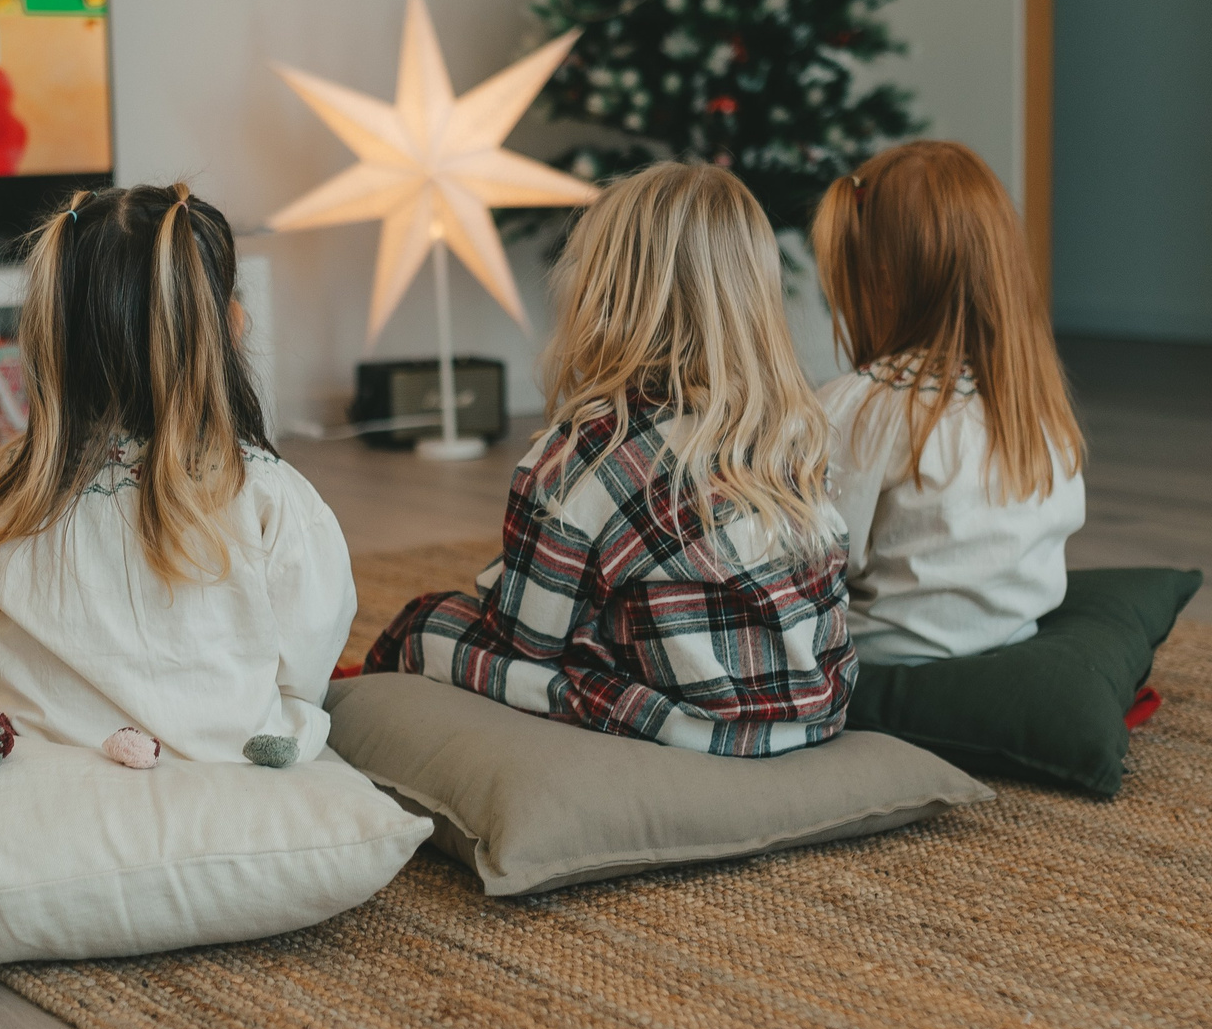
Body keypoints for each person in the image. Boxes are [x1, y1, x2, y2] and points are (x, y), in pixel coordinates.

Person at [364, 160, 854, 756]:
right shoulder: (798, 426)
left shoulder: (584, 452)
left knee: (424, 623)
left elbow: (527, 643)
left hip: (694, 729)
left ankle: (362, 723)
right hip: (816, 713)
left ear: (604, 294)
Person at [0, 182, 356, 766]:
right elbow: (309, 655)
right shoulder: (270, 493)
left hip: (45, 760)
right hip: (233, 760)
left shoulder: (15, 480)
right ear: (228, 325)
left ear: (52, 330)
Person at [810, 140, 1086, 665]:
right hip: (1012, 634)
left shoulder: (861, 407)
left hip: (884, 658)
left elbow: (815, 558)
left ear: (883, 285)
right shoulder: (1032, 399)